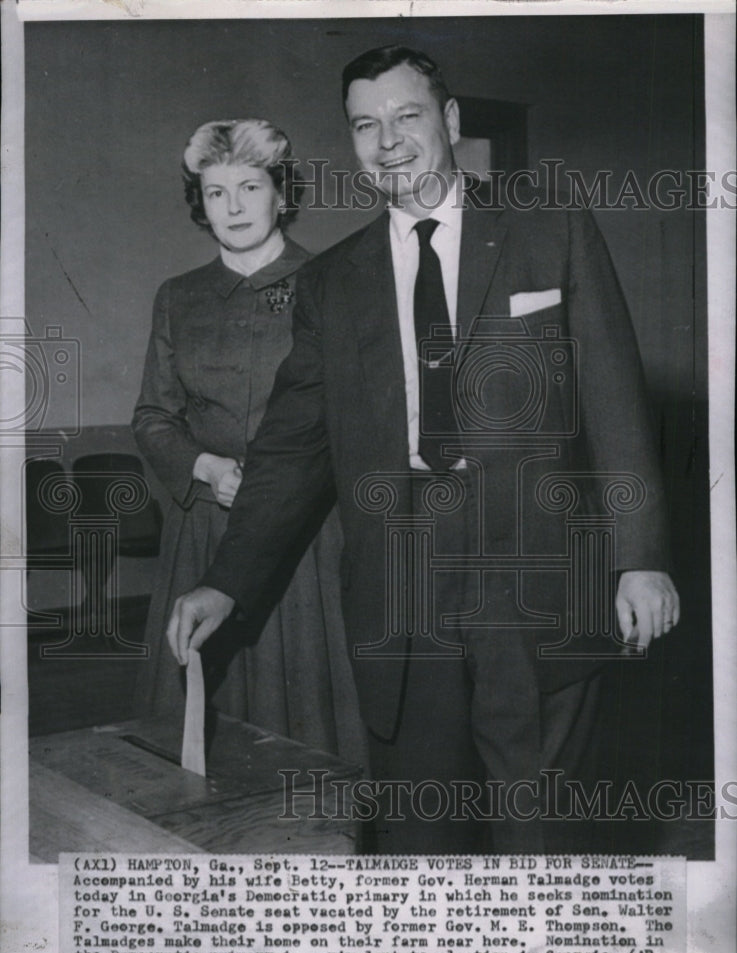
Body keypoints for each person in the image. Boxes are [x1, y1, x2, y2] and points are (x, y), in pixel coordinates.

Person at [167, 49, 680, 854]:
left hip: (539, 576)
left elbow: (613, 402)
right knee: (417, 834)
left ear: (446, 122)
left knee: (538, 834)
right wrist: (225, 582)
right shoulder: (332, 284)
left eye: (406, 116)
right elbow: (291, 453)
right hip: (400, 591)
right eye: (365, 125)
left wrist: (639, 557)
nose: (387, 140)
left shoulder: (550, 227)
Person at [132, 118, 364, 767]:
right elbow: (153, 414)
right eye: (214, 193)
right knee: (198, 734)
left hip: (305, 537)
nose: (232, 207)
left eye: (249, 187)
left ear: (282, 194)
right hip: (203, 533)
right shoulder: (177, 298)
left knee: (309, 727)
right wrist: (204, 467)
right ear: (198, 204)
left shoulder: (335, 285)